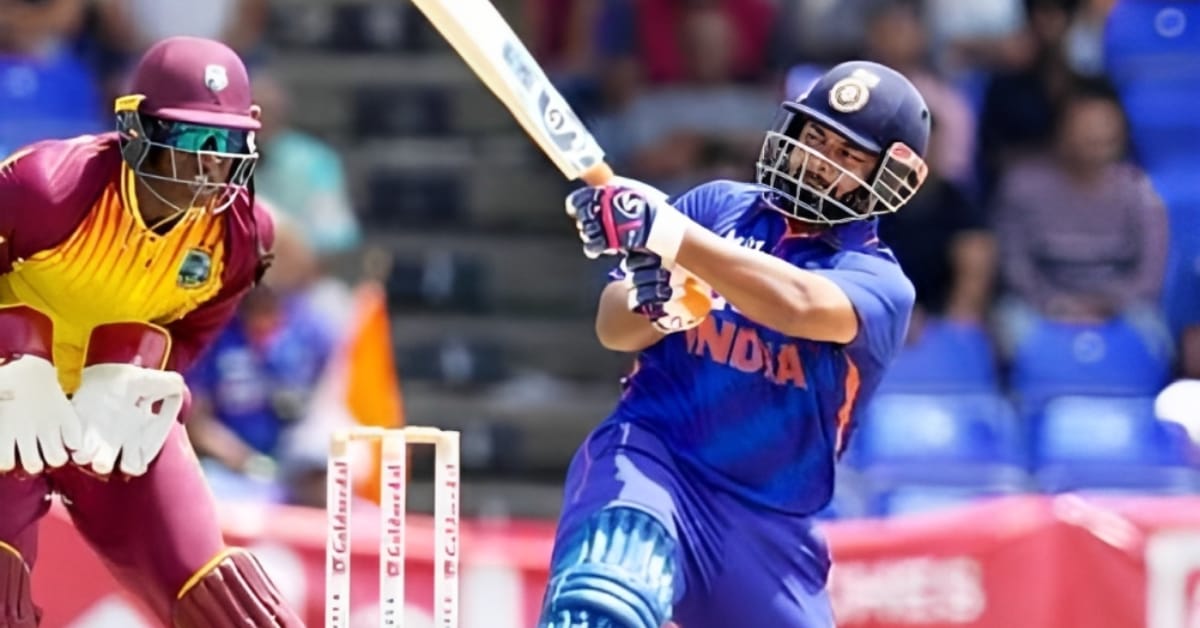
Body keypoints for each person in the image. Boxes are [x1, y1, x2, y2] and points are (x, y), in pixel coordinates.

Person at [539, 60, 930, 628]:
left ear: (887, 178)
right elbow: (612, 326)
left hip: (769, 524)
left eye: (848, 155)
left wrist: (669, 234)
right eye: (815, 138)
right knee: (603, 603)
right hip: (655, 461)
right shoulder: (718, 207)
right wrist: (660, 307)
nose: (819, 162)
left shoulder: (880, 282)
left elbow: (797, 303)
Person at [0, 36, 302, 627]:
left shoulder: (239, 237)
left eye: (228, 143)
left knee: (219, 601)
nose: (211, 164)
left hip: (109, 419)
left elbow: (188, 336)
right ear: (137, 130)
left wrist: (146, 382)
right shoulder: (46, 190)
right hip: (9, 406)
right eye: (193, 139)